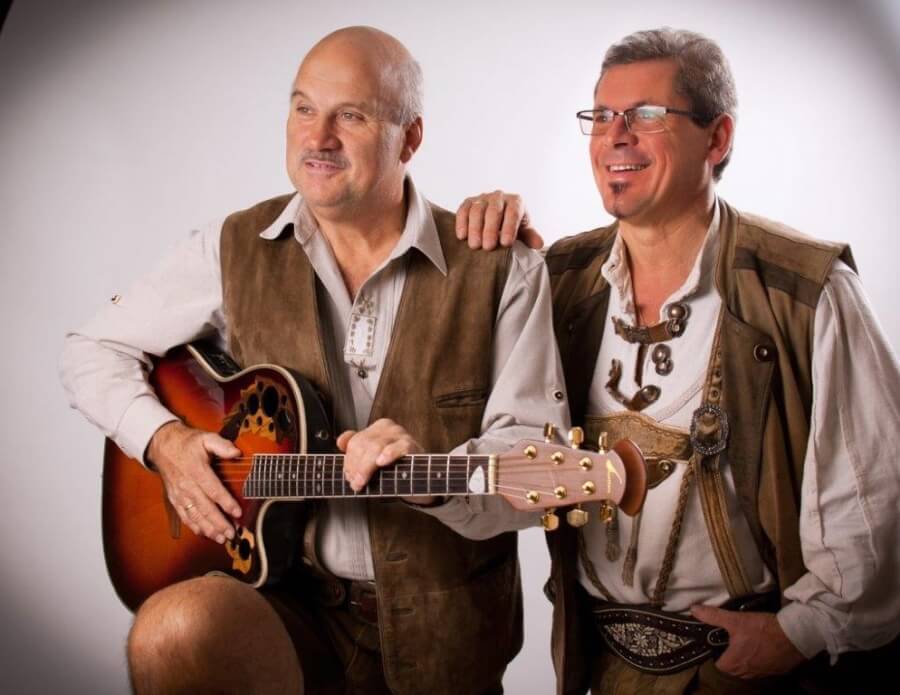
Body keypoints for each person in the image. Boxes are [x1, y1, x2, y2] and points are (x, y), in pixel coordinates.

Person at [60, 26, 569, 695]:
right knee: (171, 630)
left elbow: (540, 458)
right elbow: (92, 349)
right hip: (282, 608)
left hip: (447, 629)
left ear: (410, 138)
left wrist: (435, 482)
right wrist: (165, 441)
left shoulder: (500, 266)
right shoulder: (231, 247)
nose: (317, 137)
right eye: (304, 108)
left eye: (350, 116)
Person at [457, 27, 900, 694]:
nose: (615, 137)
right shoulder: (558, 278)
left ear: (717, 138)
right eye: (601, 115)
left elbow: (873, 497)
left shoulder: (805, 290)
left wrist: (799, 633)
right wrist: (484, 251)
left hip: (749, 671)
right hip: (601, 668)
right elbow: (470, 414)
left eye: (646, 115)